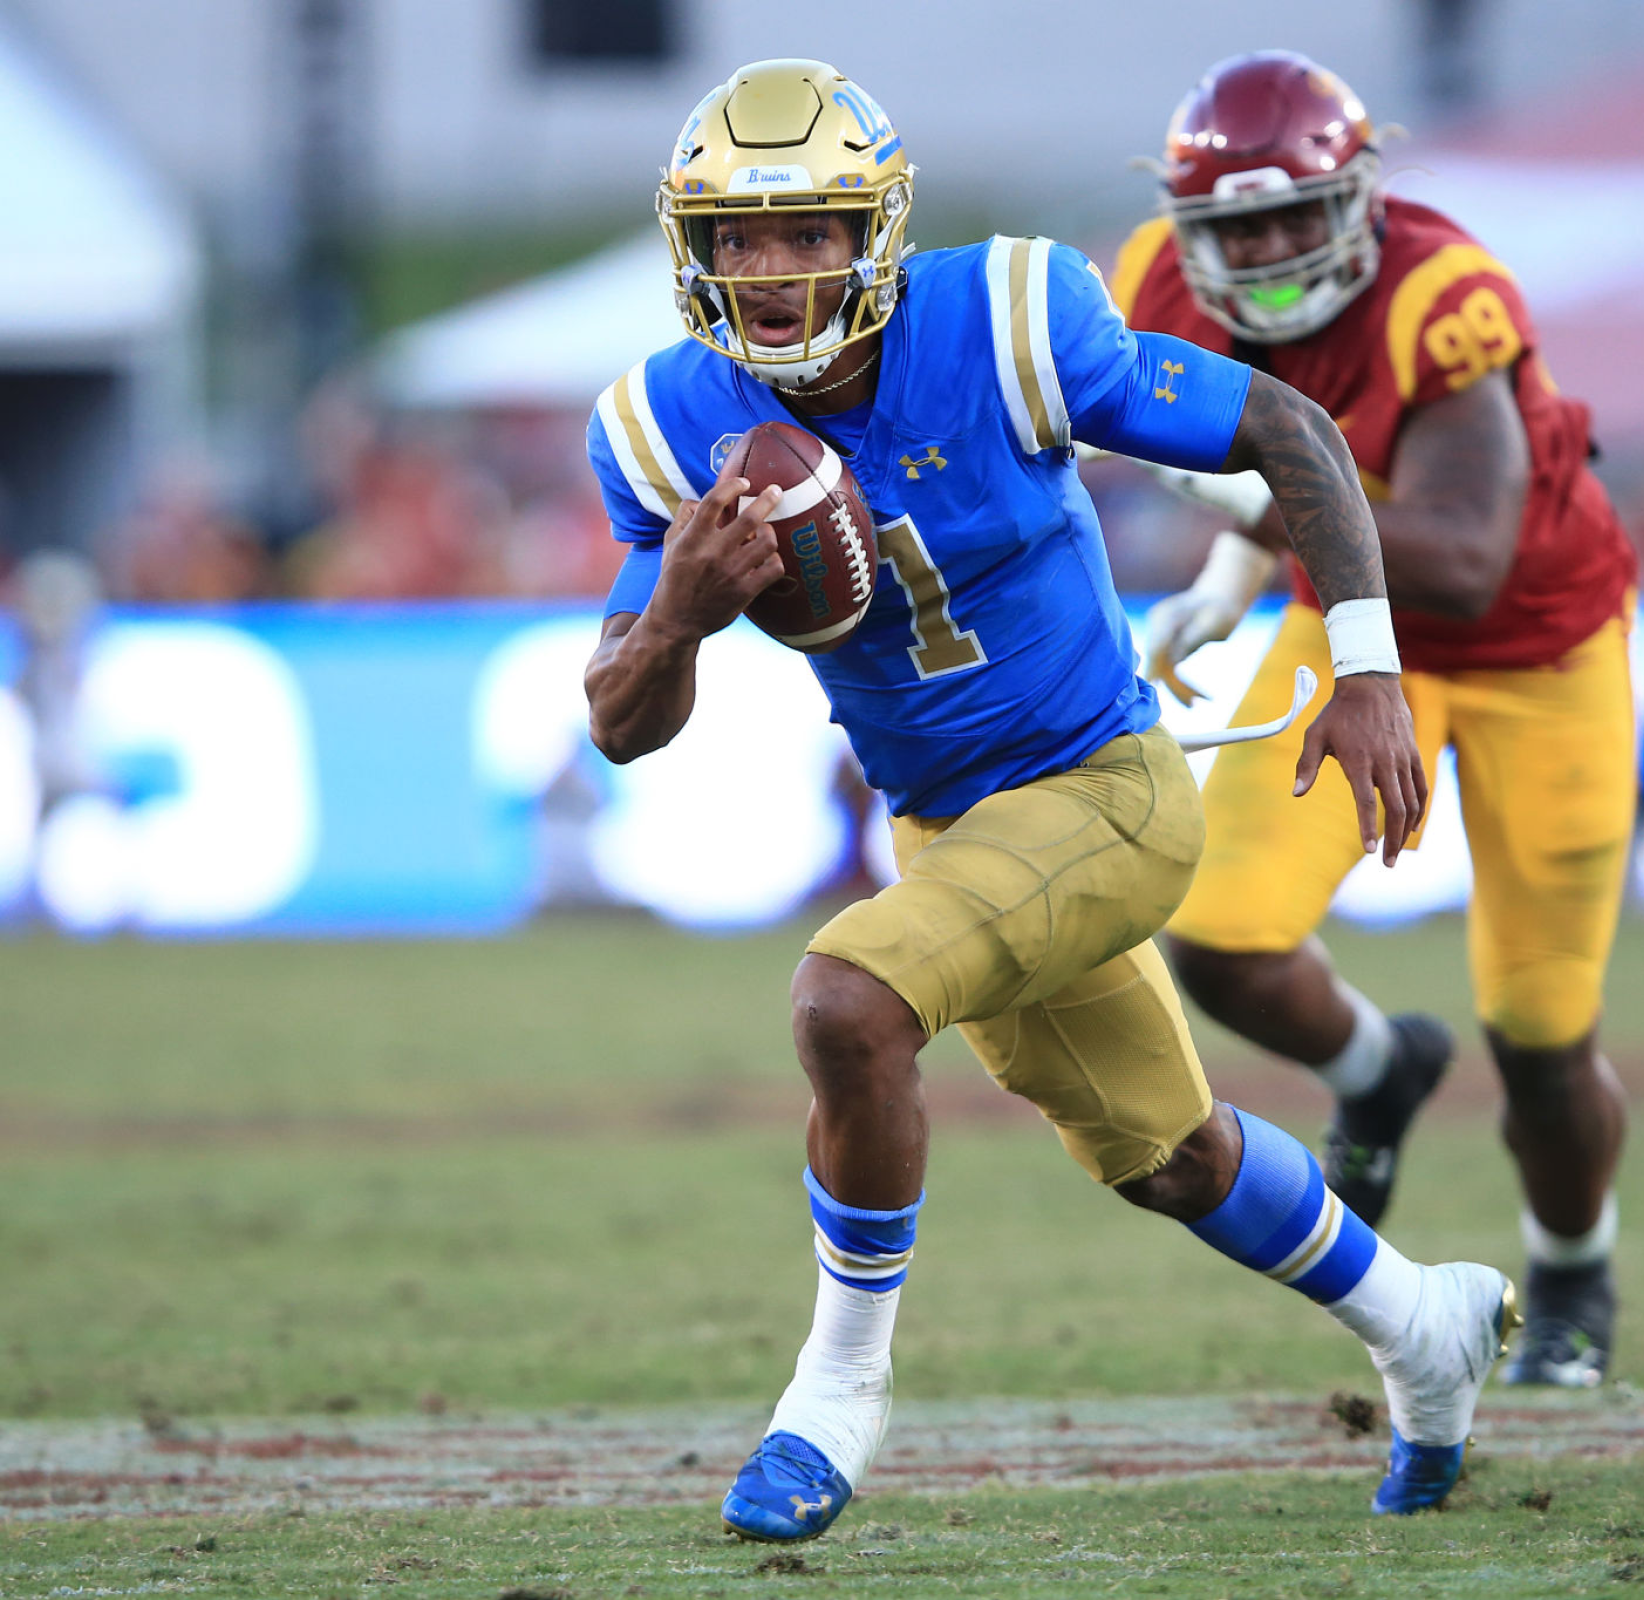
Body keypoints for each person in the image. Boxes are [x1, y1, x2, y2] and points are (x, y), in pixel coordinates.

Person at [583, 60, 1517, 1540]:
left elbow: (1294, 430)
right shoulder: (665, 422)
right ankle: (1424, 1326)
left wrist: (1369, 669)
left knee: (847, 1001)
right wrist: (682, 615)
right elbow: (622, 724)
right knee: (1173, 1158)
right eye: (740, 239)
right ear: (692, 249)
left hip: (1106, 790)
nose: (771, 271)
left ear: (873, 231)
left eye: (811, 231)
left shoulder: (1004, 317)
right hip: (953, 830)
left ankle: (836, 1392)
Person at [1112, 51, 1639, 1388]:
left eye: (1302, 213)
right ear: (1189, 232)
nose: (1279, 248)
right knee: (1218, 937)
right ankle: (1374, 1069)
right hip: (1347, 632)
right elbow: (1258, 451)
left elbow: (1463, 553)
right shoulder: (1151, 285)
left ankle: (1573, 1266)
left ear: (1363, 194)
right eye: (1244, 226)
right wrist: (1236, 577)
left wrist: (1242, 530)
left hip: (1538, 644)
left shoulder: (1443, 293)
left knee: (1540, 1034)